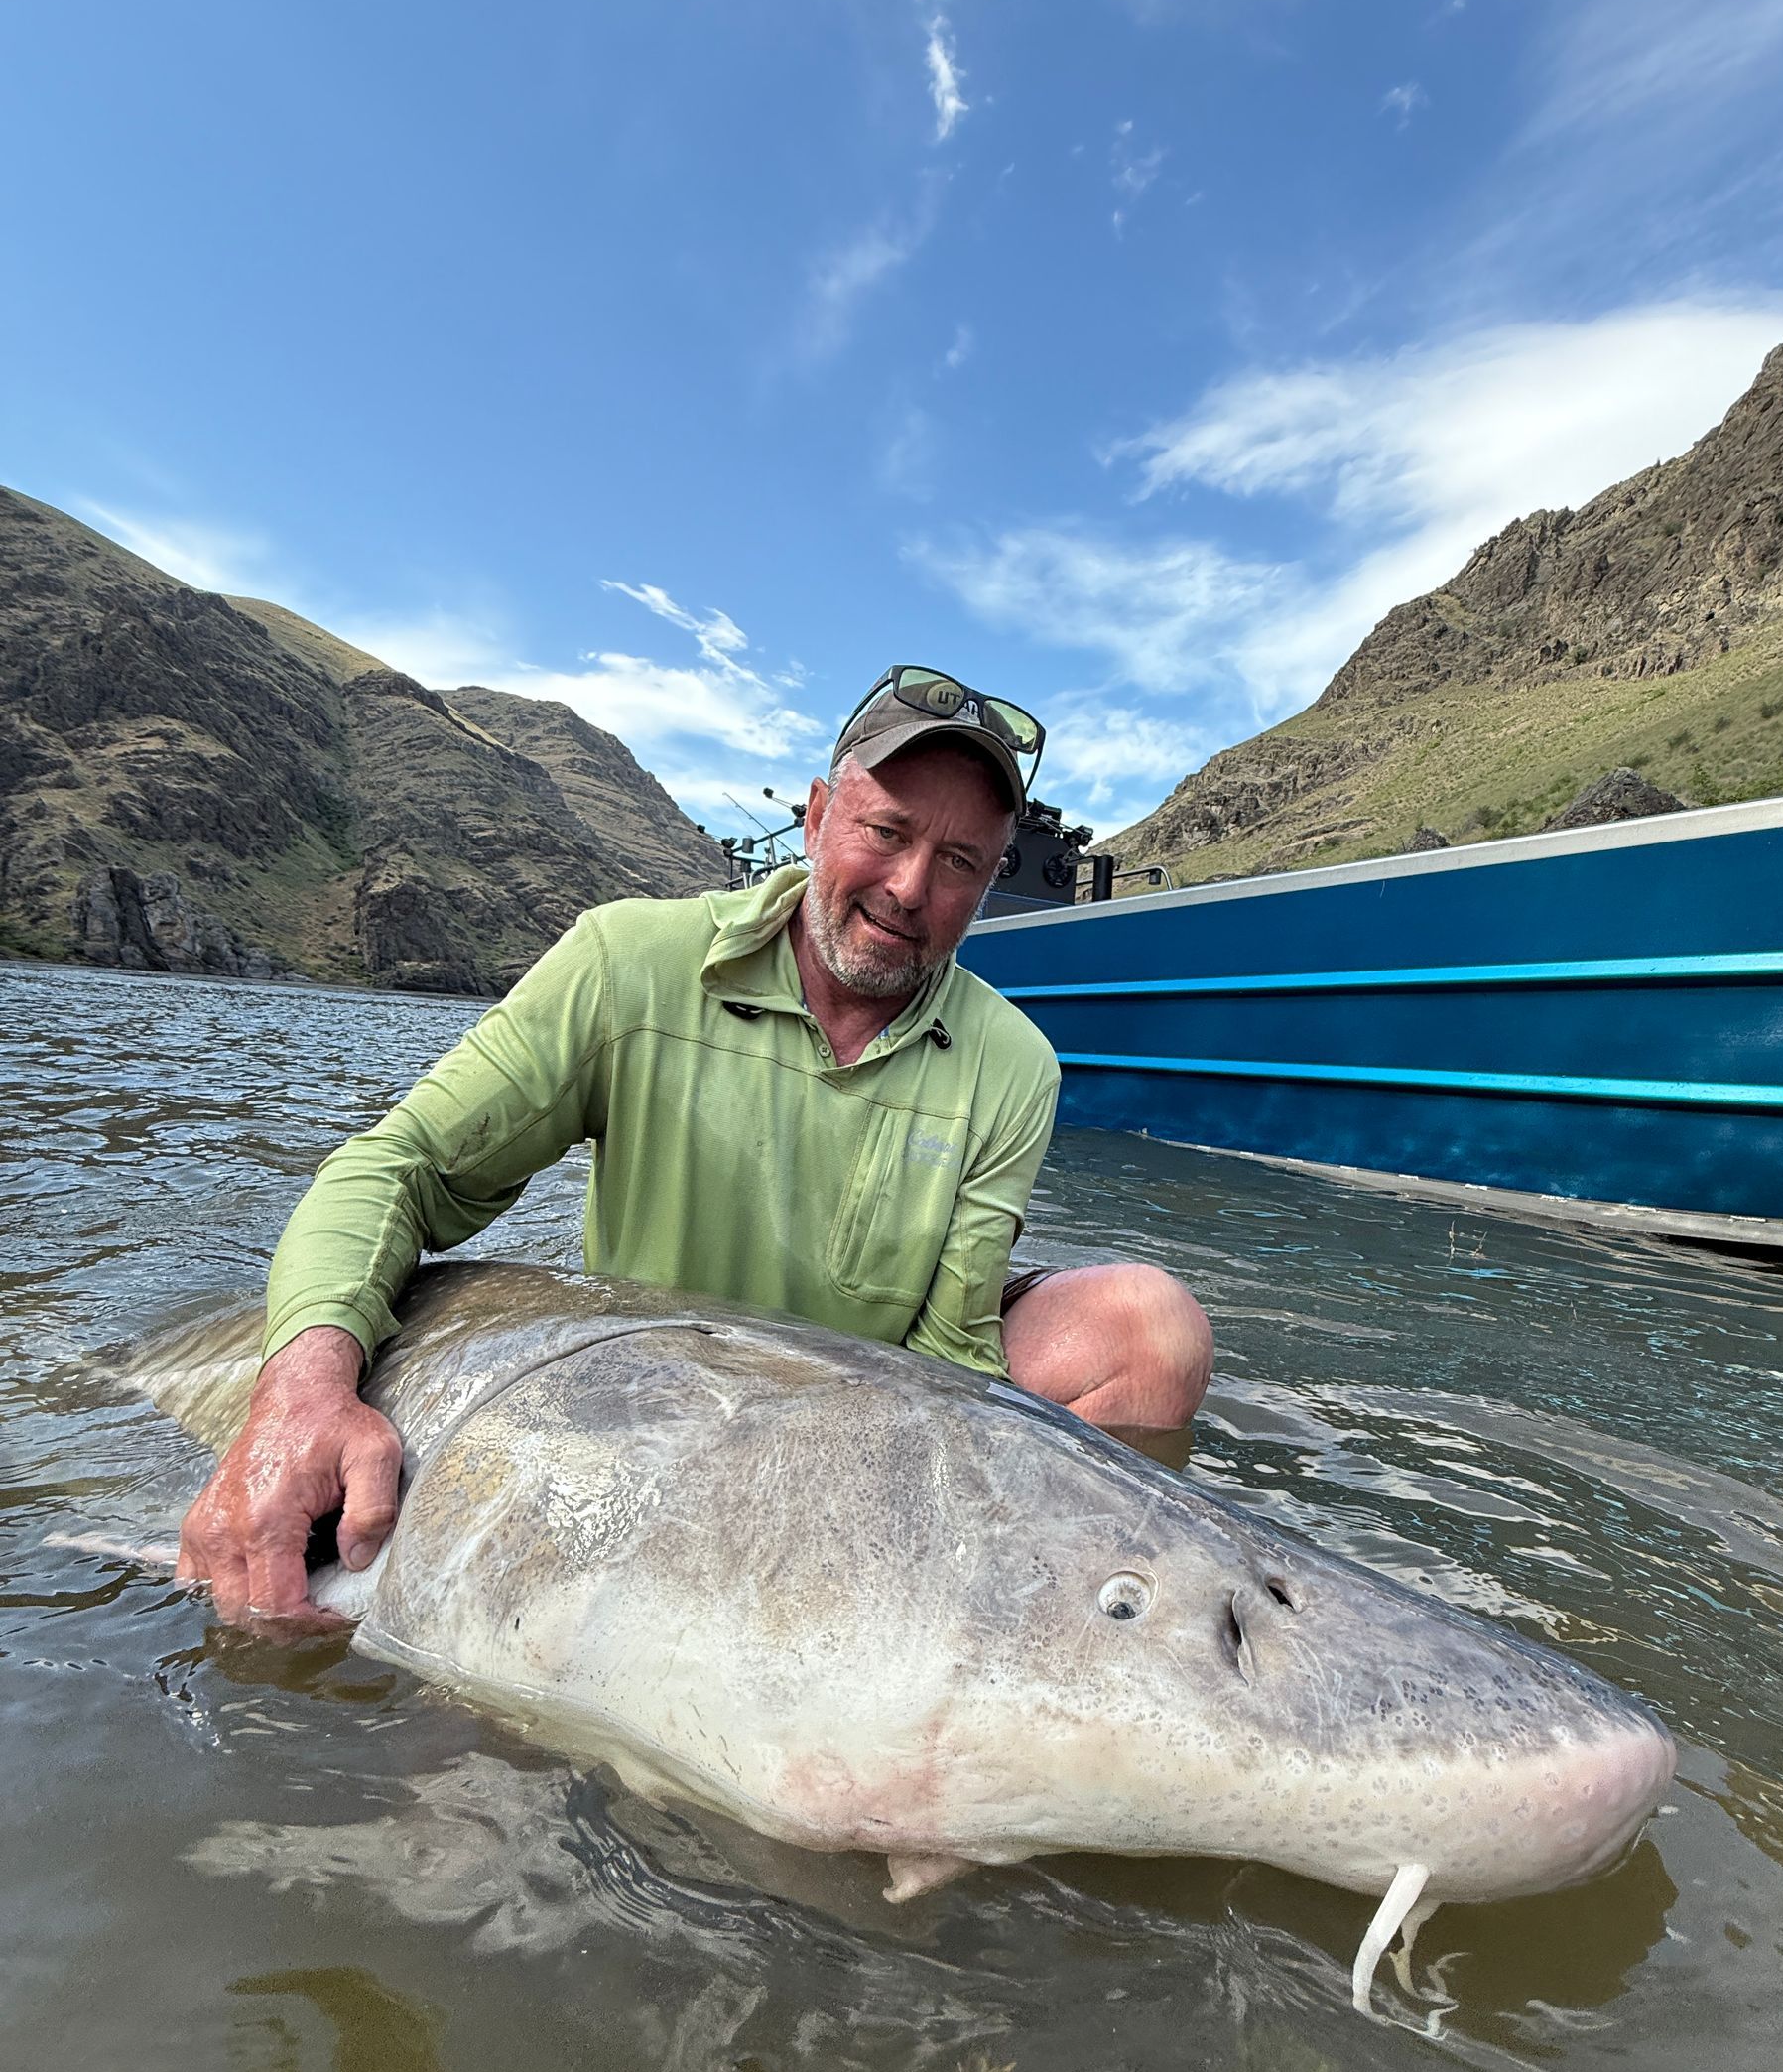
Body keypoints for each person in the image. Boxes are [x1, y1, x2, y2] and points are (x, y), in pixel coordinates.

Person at [180, 665, 1214, 1628]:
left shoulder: (1015, 1064)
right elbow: (395, 1168)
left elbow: (950, 1367)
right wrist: (303, 1391)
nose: (909, 887)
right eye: (887, 831)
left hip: (866, 1427)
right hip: (647, 1418)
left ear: (988, 884)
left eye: (959, 864)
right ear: (816, 815)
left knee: (1148, 1326)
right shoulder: (625, 960)